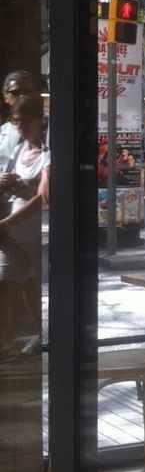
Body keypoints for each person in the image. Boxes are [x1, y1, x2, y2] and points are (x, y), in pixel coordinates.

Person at [0, 92, 49, 360]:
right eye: (13, 121)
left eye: (20, 122)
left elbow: (42, 197)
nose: (15, 127)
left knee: (30, 287)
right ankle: (5, 343)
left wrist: (5, 222)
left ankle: (44, 338)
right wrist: (8, 182)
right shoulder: (19, 148)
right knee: (7, 284)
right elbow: (26, 188)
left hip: (31, 232)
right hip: (13, 232)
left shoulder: (49, 152)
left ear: (35, 121)